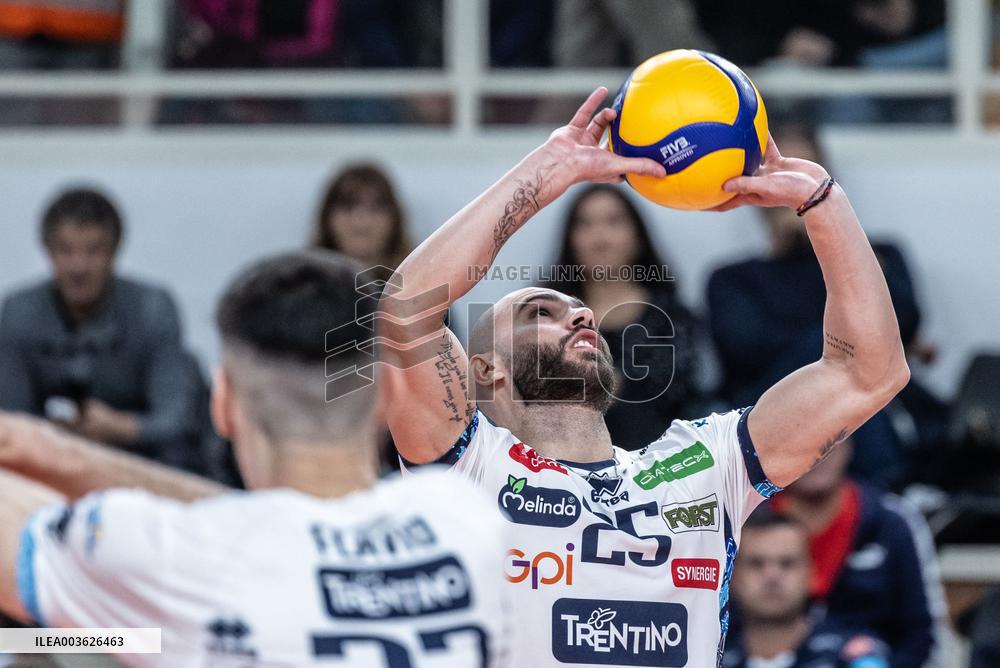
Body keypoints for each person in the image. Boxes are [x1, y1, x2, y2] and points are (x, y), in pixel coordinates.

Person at [377, 87, 910, 665]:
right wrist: (545, 174)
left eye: (576, 309)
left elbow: (868, 373)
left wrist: (822, 202)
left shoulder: (706, 464)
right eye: (539, 313)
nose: (579, 312)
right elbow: (404, 311)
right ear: (486, 371)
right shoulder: (469, 467)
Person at [0, 250, 511, 666]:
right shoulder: (467, 521)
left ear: (222, 402)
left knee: (36, 647)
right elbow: (278, 526)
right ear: (391, 393)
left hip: (137, 628)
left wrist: (52, 450)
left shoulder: (175, 557)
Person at [706, 123, 945, 489]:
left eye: (797, 171)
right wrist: (852, 346)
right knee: (844, 367)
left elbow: (906, 321)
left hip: (865, 413)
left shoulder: (877, 255)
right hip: (772, 411)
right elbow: (747, 350)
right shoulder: (731, 278)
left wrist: (837, 246)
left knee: (855, 377)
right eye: (772, 173)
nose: (784, 185)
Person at [0, 187, 204, 468]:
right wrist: (56, 434)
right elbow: (10, 420)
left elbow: (178, 420)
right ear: (48, 251)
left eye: (93, 251)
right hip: (49, 461)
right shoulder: (20, 313)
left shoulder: (152, 310)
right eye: (66, 250)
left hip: (142, 466)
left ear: (114, 252)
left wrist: (123, 428)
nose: (78, 266)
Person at [542, 183, 703, 449]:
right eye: (584, 224)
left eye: (614, 221)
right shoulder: (545, 318)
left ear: (638, 235)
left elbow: (682, 396)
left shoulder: (673, 316)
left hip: (660, 464)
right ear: (569, 238)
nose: (600, 237)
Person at [769, 439, 946, 667]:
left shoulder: (892, 520)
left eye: (829, 442)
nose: (817, 455)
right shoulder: (743, 520)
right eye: (804, 442)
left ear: (850, 444)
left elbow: (924, 635)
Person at [724, 510, 891, 667]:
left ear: (811, 574)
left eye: (787, 563)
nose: (772, 576)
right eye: (756, 564)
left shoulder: (852, 656)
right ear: (732, 577)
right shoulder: (707, 657)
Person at [311, 163, 413, 270]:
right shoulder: (303, 281)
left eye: (375, 208)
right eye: (347, 207)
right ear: (327, 217)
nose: (361, 221)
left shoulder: (417, 280)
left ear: (395, 219)